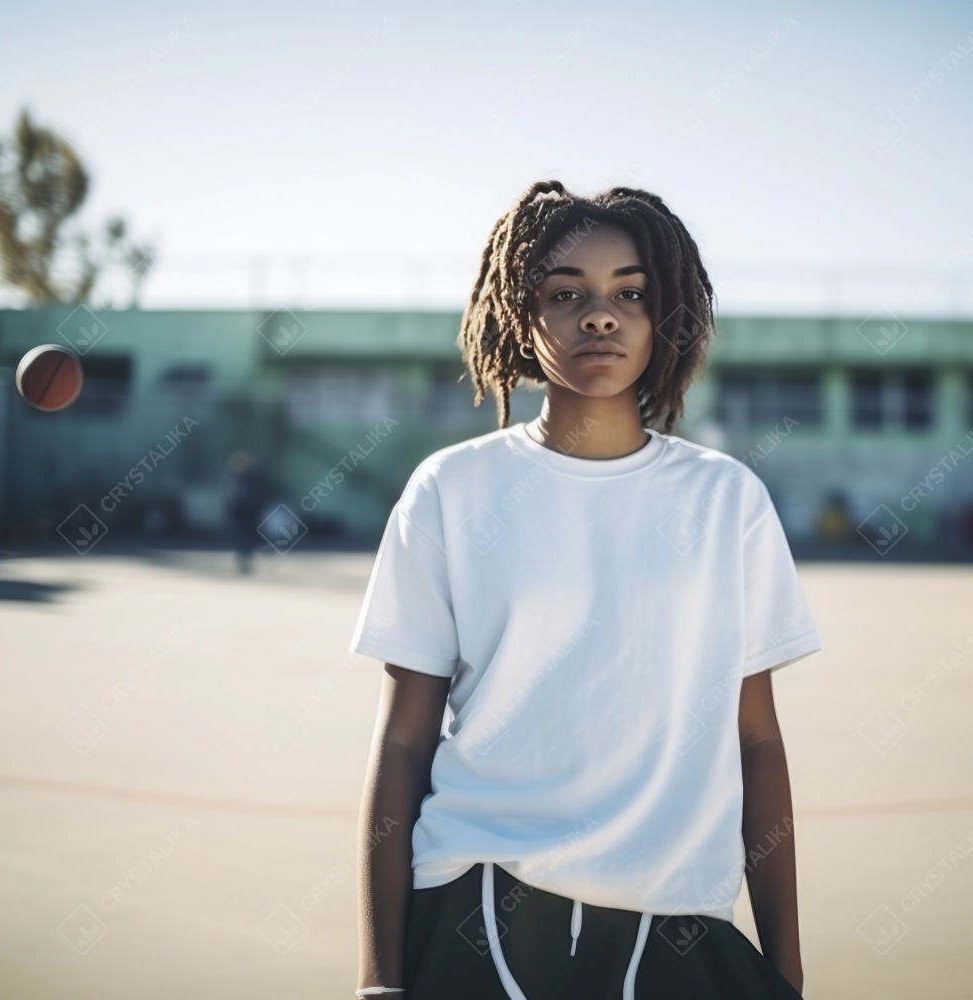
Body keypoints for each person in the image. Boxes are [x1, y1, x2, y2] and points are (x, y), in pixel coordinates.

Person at [350, 182, 822, 999]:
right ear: (517, 316)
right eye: (566, 293)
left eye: (629, 293)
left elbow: (757, 741)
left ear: (664, 316)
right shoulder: (451, 490)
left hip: (682, 919)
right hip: (481, 907)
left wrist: (786, 974)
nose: (599, 316)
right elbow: (401, 742)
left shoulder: (726, 499)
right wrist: (380, 980)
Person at [223, 449, 266, 573]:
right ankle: (242, 559)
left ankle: (247, 559)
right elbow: (229, 494)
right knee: (238, 537)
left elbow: (259, 495)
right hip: (236, 512)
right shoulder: (232, 478)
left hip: (249, 512)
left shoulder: (254, 478)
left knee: (248, 537)